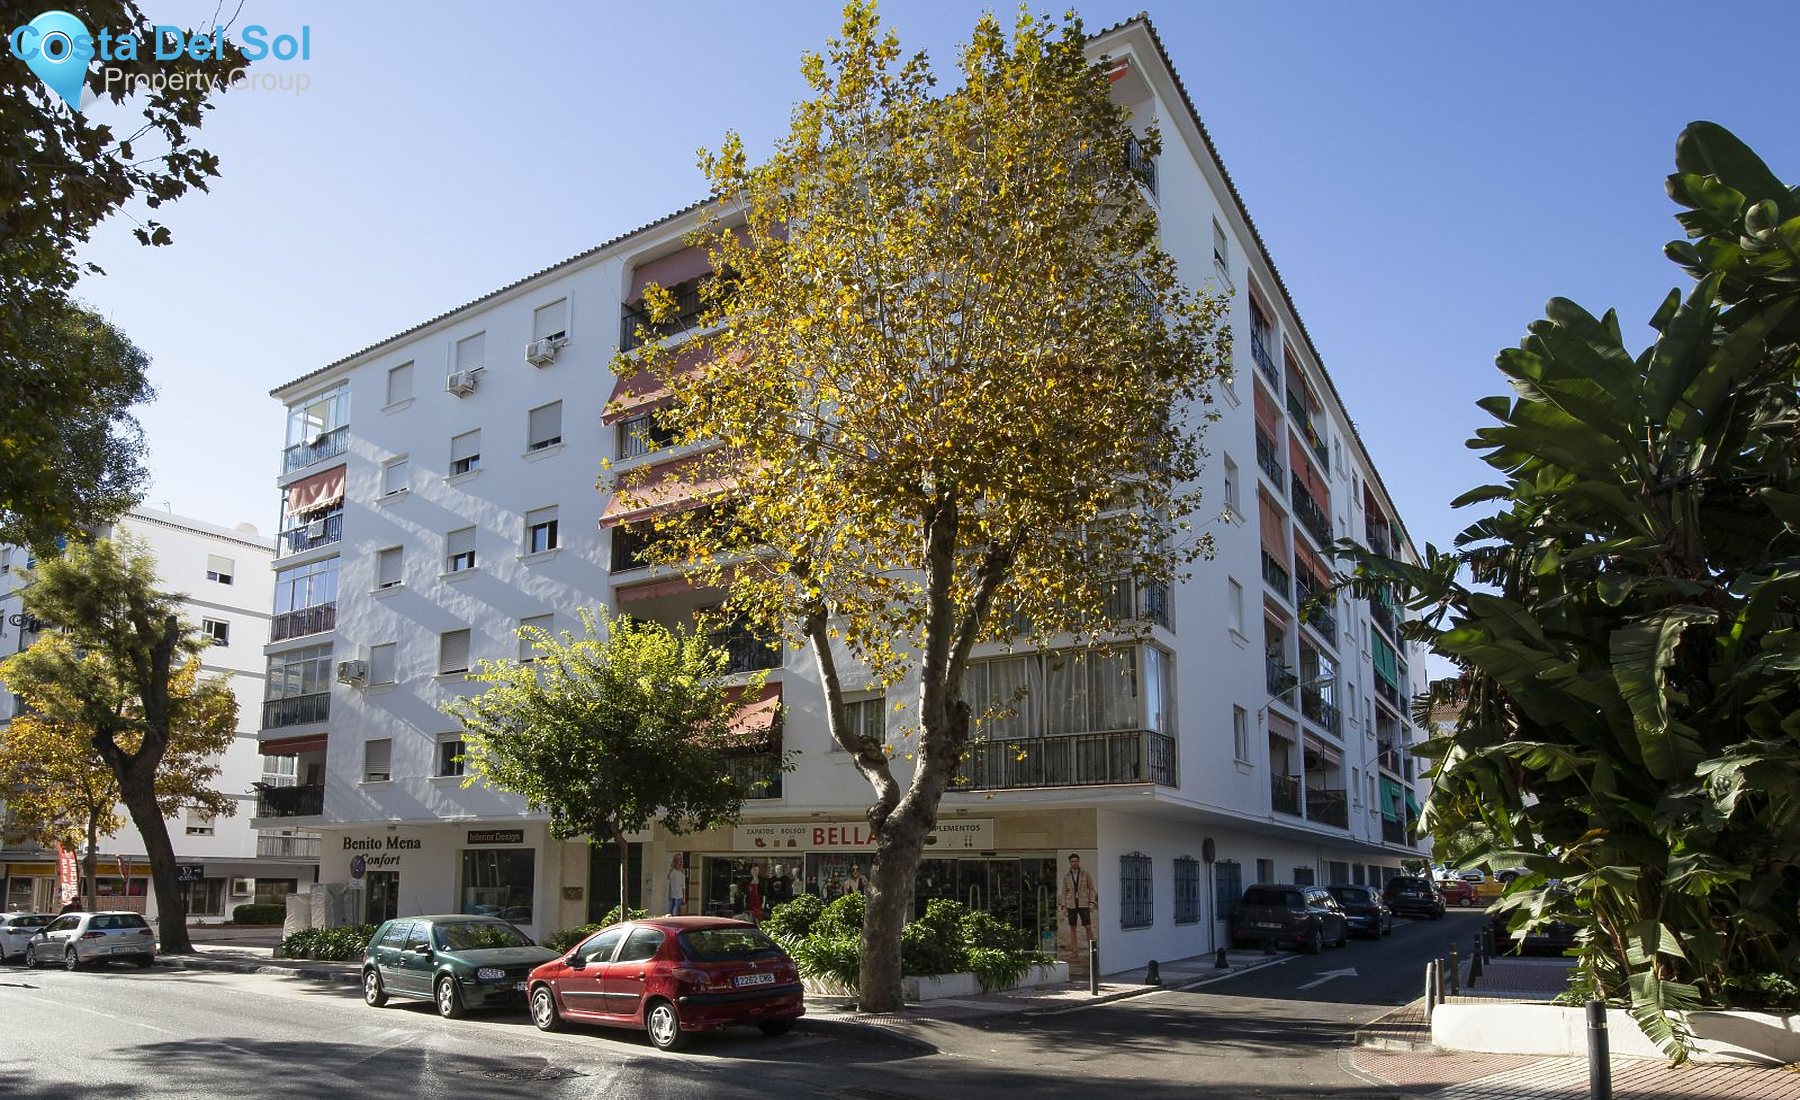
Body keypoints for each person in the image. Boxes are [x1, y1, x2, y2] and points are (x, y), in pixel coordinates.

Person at [1059, 853, 1097, 944]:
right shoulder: (1066, 876)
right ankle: (1074, 951)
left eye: (1076, 861)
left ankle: (1092, 950)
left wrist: (1092, 902)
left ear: (1079, 861)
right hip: (1071, 904)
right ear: (1069, 862)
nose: (1074, 863)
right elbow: (1064, 892)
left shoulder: (1085, 874)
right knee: (1073, 927)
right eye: (1072, 861)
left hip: (1083, 903)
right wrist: (1064, 906)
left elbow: (1092, 889)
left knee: (1088, 926)